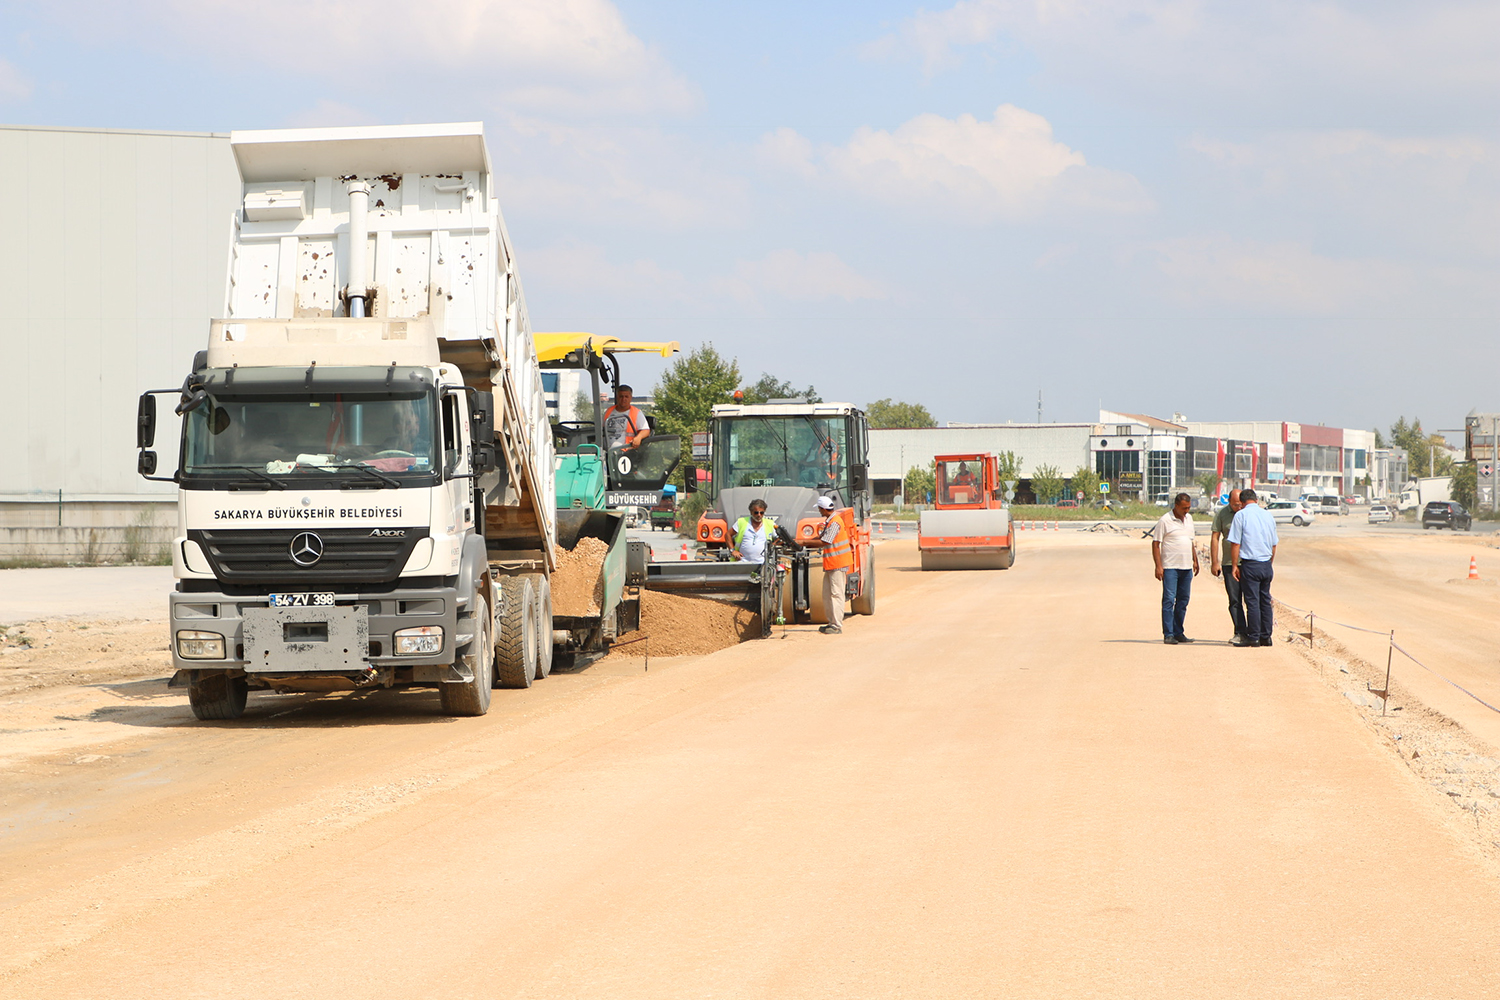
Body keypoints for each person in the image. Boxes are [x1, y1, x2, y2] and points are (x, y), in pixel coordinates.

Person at [1229, 488, 1279, 647]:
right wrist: (1269, 563)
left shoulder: (1241, 515)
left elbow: (1236, 543)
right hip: (1265, 563)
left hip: (1250, 564)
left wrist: (1234, 565)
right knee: (1265, 600)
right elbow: (1274, 544)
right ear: (1256, 500)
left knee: (1252, 602)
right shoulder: (1267, 515)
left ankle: (1254, 636)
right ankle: (1266, 636)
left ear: (1242, 503)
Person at [1151, 492, 1200, 644]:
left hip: (1186, 567)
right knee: (1169, 600)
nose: (1187, 511)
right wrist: (1158, 566)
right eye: (1184, 508)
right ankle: (1168, 633)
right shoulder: (1165, 520)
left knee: (1183, 600)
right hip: (1170, 567)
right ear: (1176, 506)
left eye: (1189, 508)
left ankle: (1179, 631)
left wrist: (1195, 560)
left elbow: (1190, 540)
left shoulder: (1189, 519)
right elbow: (1155, 543)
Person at [1210, 489, 1250, 646]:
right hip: (1228, 563)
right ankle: (1239, 631)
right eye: (1235, 505)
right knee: (1234, 600)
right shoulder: (1222, 514)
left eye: (1240, 504)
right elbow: (1215, 536)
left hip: (1247, 562)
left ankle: (1254, 632)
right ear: (1229, 502)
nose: (1238, 507)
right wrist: (1215, 561)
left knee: (1251, 600)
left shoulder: (1248, 513)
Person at [810, 495, 854, 635]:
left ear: (823, 509)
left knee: (836, 594)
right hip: (831, 564)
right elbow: (822, 537)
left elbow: (826, 541)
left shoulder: (835, 522)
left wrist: (803, 543)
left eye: (819, 509)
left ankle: (836, 625)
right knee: (827, 594)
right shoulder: (830, 521)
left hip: (837, 564)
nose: (819, 511)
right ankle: (831, 622)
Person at [602, 385, 649, 453]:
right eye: (621, 396)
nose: (623, 399)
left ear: (630, 398)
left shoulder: (636, 413)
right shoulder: (608, 412)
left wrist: (638, 438)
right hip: (607, 452)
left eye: (626, 396)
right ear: (617, 397)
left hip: (626, 452)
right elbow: (601, 430)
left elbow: (646, 430)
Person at [732, 499, 777, 564]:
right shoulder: (742, 522)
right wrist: (733, 550)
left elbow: (781, 537)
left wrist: (773, 545)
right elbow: (728, 535)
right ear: (751, 512)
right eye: (756, 512)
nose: (759, 515)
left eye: (762, 513)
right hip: (742, 562)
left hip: (763, 564)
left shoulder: (770, 524)